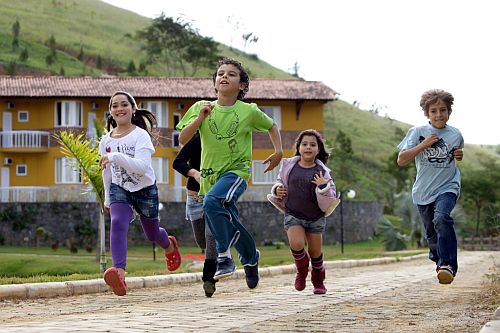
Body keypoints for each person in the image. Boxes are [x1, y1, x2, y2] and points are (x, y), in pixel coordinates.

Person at [176, 58, 283, 289]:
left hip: (236, 173)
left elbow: (272, 126)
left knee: (212, 203)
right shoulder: (200, 107)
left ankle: (224, 256)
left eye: (231, 74)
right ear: (215, 82)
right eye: (220, 74)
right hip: (209, 176)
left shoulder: (248, 111)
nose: (224, 77)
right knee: (230, 219)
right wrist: (200, 117)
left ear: (242, 85)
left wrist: (278, 151)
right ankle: (250, 256)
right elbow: (183, 139)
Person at [99, 91, 181, 296]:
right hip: (120, 188)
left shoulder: (140, 136)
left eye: (124, 104)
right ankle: (119, 275)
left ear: (133, 109)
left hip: (144, 189)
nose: (119, 109)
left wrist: (115, 156)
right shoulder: (105, 141)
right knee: (117, 223)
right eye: (114, 105)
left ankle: (169, 245)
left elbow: (142, 167)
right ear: (110, 112)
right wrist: (108, 197)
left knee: (152, 234)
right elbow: (107, 172)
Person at [397, 89, 464, 284]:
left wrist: (459, 155)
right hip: (423, 191)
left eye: (443, 110)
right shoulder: (417, 132)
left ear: (449, 112)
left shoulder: (455, 134)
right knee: (432, 235)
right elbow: (401, 159)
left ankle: (448, 265)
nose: (439, 115)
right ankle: (438, 258)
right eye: (434, 111)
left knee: (442, 218)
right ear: (427, 113)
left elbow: (456, 153)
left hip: (448, 187)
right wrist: (424, 144)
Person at [267, 129, 339, 294]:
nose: (308, 147)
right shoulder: (289, 166)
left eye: (312, 145)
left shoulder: (323, 172)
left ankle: (318, 281)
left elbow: (331, 196)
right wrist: (277, 189)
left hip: (315, 217)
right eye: (304, 144)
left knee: (315, 253)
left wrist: (323, 186)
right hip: (293, 214)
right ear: (298, 147)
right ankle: (301, 270)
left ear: (318, 149)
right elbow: (279, 182)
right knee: (296, 244)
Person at [173, 132, 218, 297]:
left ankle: (209, 279)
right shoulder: (198, 138)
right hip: (195, 198)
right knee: (202, 241)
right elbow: (177, 162)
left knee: (211, 235)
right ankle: (219, 255)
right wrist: (194, 173)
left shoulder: (226, 141)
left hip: (215, 197)